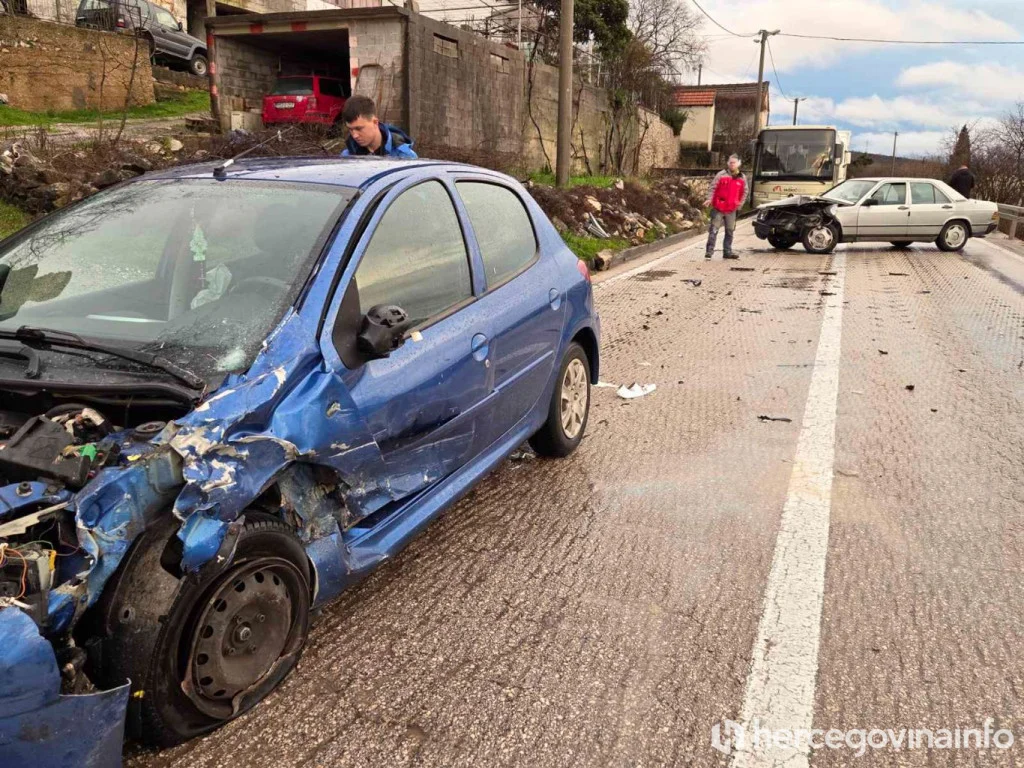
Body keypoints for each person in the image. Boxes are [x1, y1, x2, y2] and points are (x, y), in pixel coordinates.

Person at [340, 96, 417, 159]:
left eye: (359, 129)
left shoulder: (404, 156)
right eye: (350, 129)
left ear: (375, 122)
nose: (355, 135)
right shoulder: (346, 157)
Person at [705, 154, 747, 259]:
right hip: (719, 208)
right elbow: (712, 188)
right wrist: (709, 199)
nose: (732, 164)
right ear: (728, 163)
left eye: (734, 162)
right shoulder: (721, 174)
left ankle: (727, 252)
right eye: (730, 162)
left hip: (731, 209)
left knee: (730, 231)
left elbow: (745, 192)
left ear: (738, 164)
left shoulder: (742, 177)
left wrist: (740, 204)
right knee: (714, 230)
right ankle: (709, 251)